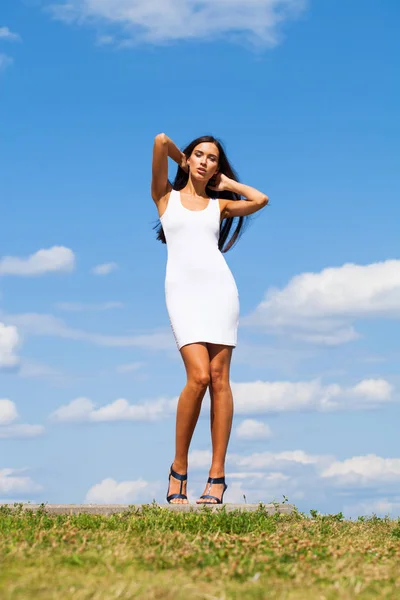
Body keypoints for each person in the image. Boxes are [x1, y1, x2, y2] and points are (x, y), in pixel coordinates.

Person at [151, 133, 269, 504]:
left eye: (212, 159)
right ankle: (178, 468)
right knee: (198, 376)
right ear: (188, 159)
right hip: (182, 294)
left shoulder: (219, 207)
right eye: (199, 155)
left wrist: (228, 185)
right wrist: (181, 160)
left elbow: (260, 200)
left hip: (220, 293)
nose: (205, 162)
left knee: (219, 380)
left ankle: (216, 476)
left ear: (218, 167)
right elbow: (160, 141)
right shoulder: (165, 197)